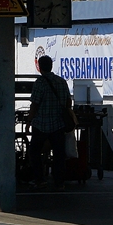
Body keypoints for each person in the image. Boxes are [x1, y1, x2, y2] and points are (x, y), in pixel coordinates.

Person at [29, 54, 73, 189]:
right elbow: (68, 102)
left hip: (40, 125)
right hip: (58, 124)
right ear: (51, 66)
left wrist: (28, 121)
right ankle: (59, 181)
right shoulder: (61, 82)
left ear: (40, 67)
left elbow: (35, 105)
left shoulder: (39, 83)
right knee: (59, 154)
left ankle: (39, 179)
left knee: (34, 152)